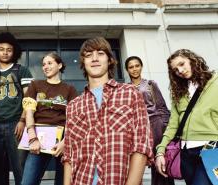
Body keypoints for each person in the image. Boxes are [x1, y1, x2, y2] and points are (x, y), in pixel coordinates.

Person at [63, 37, 153, 185]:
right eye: (88, 55)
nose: (94, 58)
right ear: (83, 63)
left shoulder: (130, 93)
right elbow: (69, 155)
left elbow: (142, 145)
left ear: (110, 60)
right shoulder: (73, 105)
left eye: (100, 53)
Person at [155, 49, 218, 185]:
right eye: (176, 70)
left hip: (211, 148)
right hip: (186, 153)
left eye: (182, 64)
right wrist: (160, 151)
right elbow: (173, 125)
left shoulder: (215, 82)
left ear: (192, 59)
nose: (180, 70)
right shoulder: (179, 92)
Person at [0, 32, 33, 185]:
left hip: (16, 124)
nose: (5, 52)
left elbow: (28, 98)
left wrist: (23, 120)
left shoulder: (21, 70)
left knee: (20, 168)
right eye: (1, 49)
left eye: (9, 49)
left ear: (14, 52)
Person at [21, 52, 77, 185]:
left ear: (59, 65)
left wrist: (65, 142)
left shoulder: (69, 89)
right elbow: (29, 112)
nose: (45, 66)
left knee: (63, 181)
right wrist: (32, 138)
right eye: (43, 64)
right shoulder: (35, 85)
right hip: (38, 135)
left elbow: (73, 118)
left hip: (63, 137)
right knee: (28, 181)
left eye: (50, 63)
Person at [125, 56, 174, 185]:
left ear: (141, 67)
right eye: (131, 67)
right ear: (127, 70)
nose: (134, 69)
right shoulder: (125, 88)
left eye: (137, 65)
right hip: (137, 128)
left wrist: (166, 128)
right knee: (136, 161)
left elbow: (162, 106)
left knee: (159, 161)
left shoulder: (150, 84)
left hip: (155, 124)